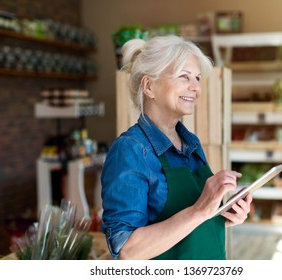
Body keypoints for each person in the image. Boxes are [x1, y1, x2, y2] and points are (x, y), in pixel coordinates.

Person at [101, 34, 252, 260]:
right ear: (149, 86)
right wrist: (199, 211)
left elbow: (190, 227)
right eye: (184, 77)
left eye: (198, 79)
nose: (196, 88)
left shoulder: (191, 142)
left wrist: (222, 215)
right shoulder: (130, 150)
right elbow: (126, 251)